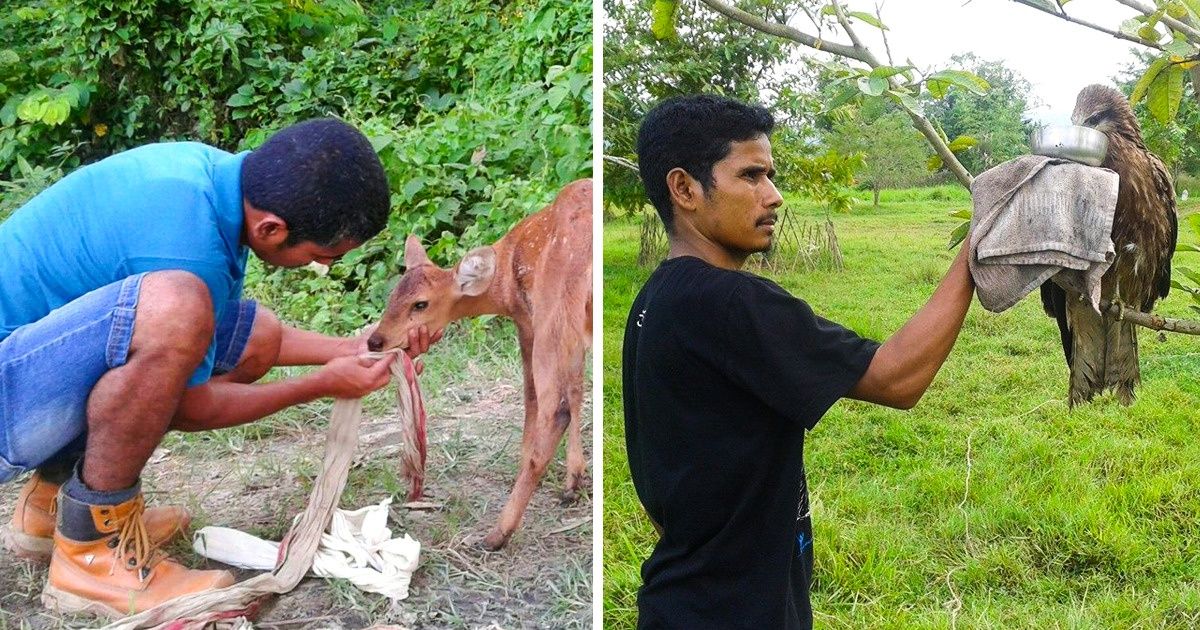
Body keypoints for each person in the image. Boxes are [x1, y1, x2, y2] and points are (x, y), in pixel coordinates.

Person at [0, 118, 438, 619]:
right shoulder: (189, 251)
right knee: (177, 310)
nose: (327, 267)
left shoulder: (204, 180)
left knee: (253, 331)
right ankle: (92, 550)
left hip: (26, 363)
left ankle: (50, 507)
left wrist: (348, 349)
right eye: (324, 256)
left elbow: (239, 339)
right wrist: (319, 384)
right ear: (271, 229)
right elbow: (186, 407)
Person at [622, 95, 975, 629]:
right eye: (751, 176)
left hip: (684, 598)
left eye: (771, 175)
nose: (774, 196)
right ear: (685, 188)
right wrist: (977, 250)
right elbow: (897, 378)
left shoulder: (656, 298)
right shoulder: (731, 303)